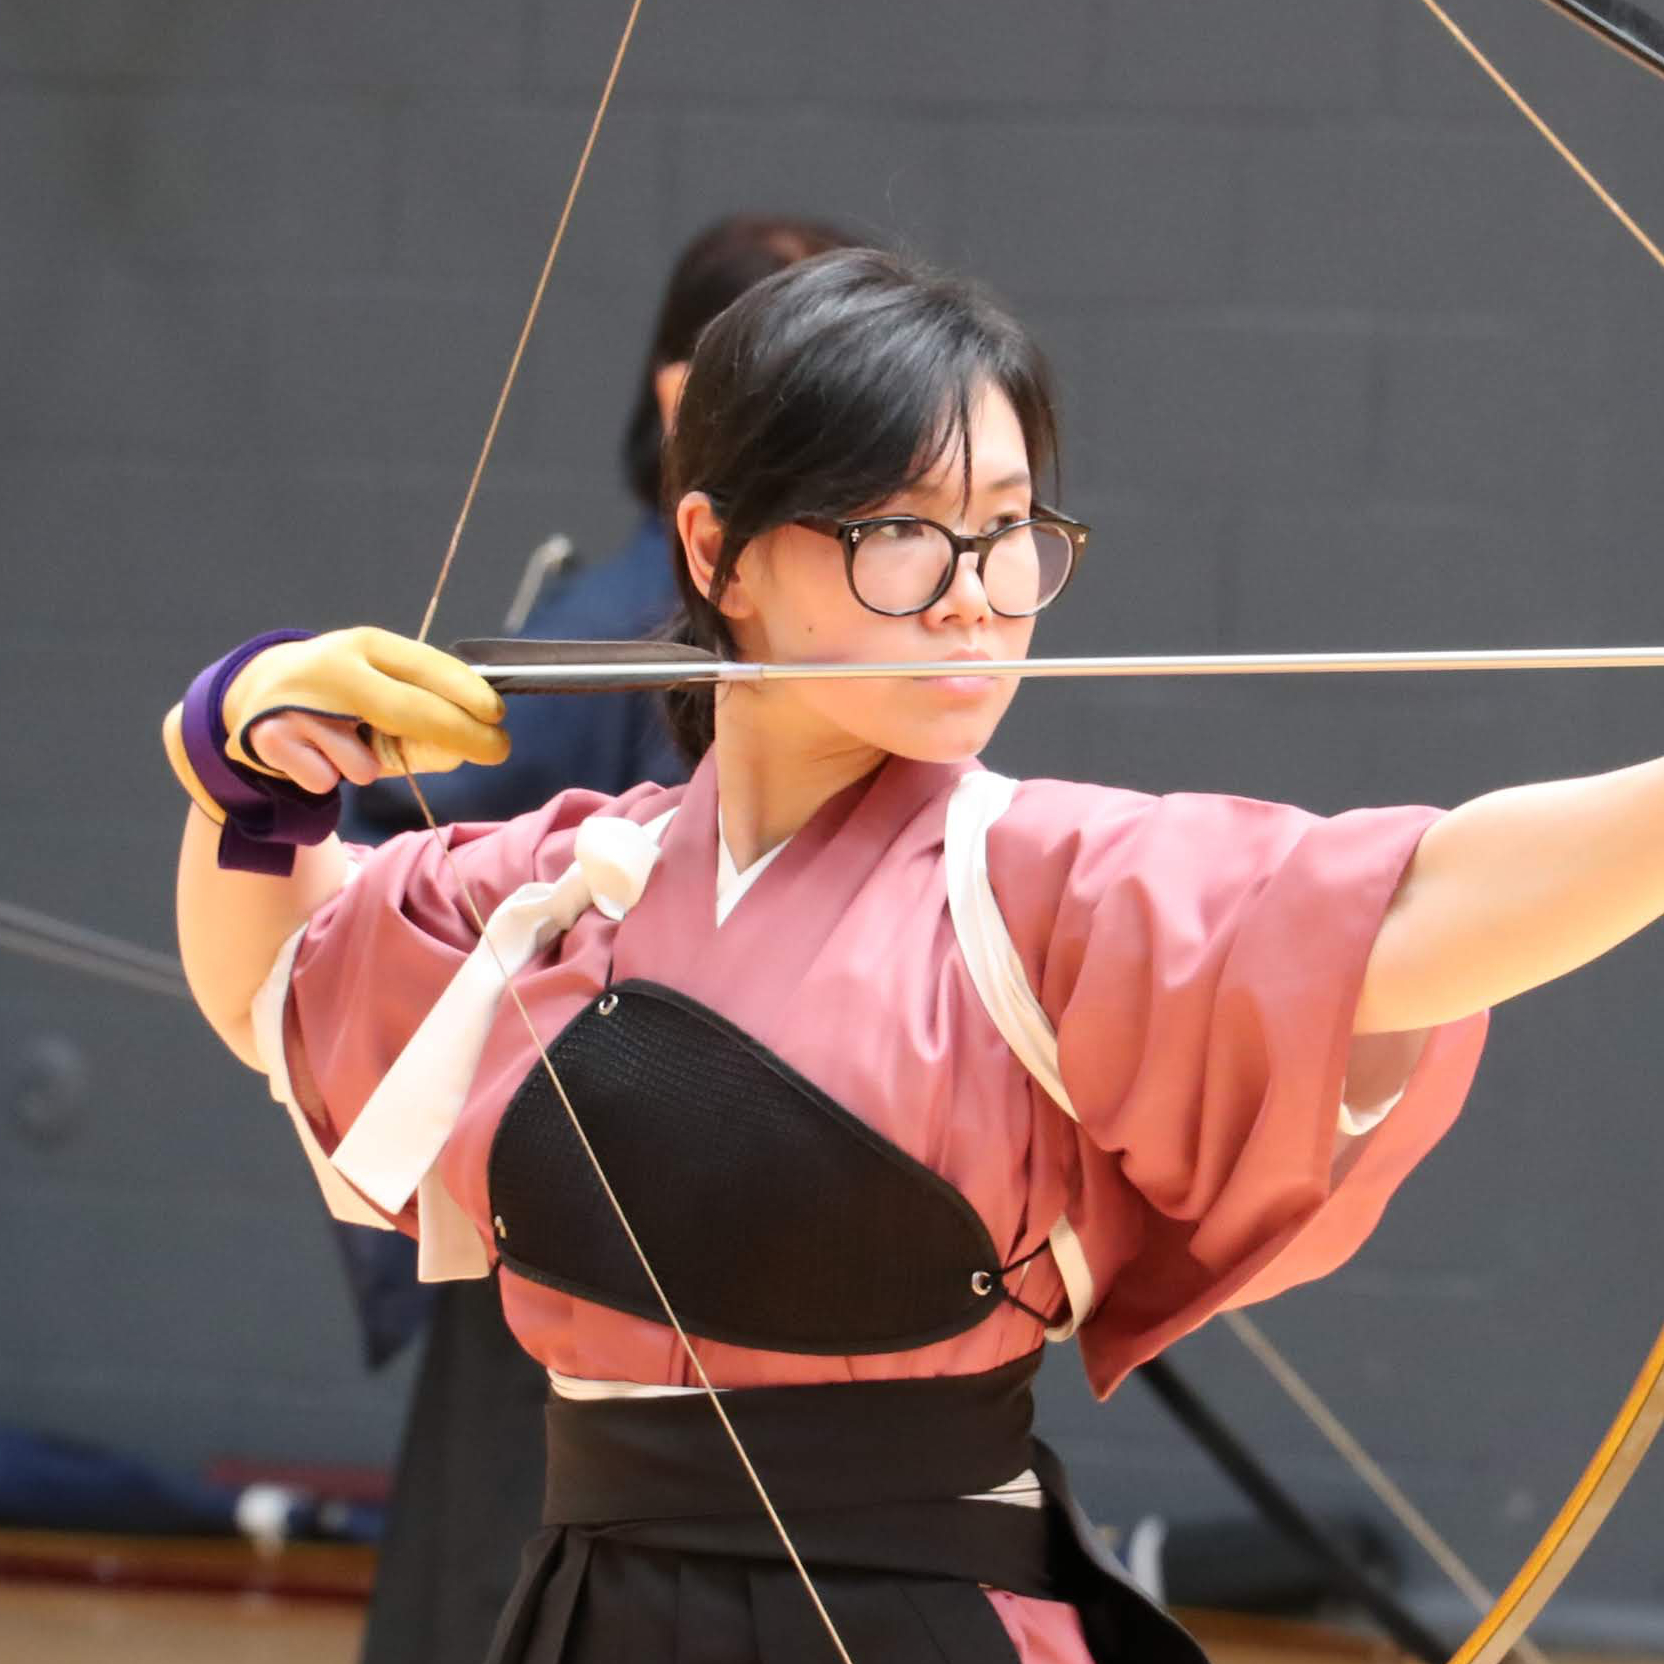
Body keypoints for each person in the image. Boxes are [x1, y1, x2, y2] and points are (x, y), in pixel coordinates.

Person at [164, 245, 1647, 1662]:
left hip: (918, 1618)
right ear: (717, 550)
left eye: (1006, 529)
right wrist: (242, 765)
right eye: (895, 533)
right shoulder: (560, 888)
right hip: (594, 1606)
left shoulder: (1041, 882)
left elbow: (1419, 907)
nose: (971, 593)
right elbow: (268, 988)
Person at [336, 213, 857, 1664]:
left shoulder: (778, 645)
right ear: (690, 405)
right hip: (571, 1237)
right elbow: (369, 868)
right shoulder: (615, 632)